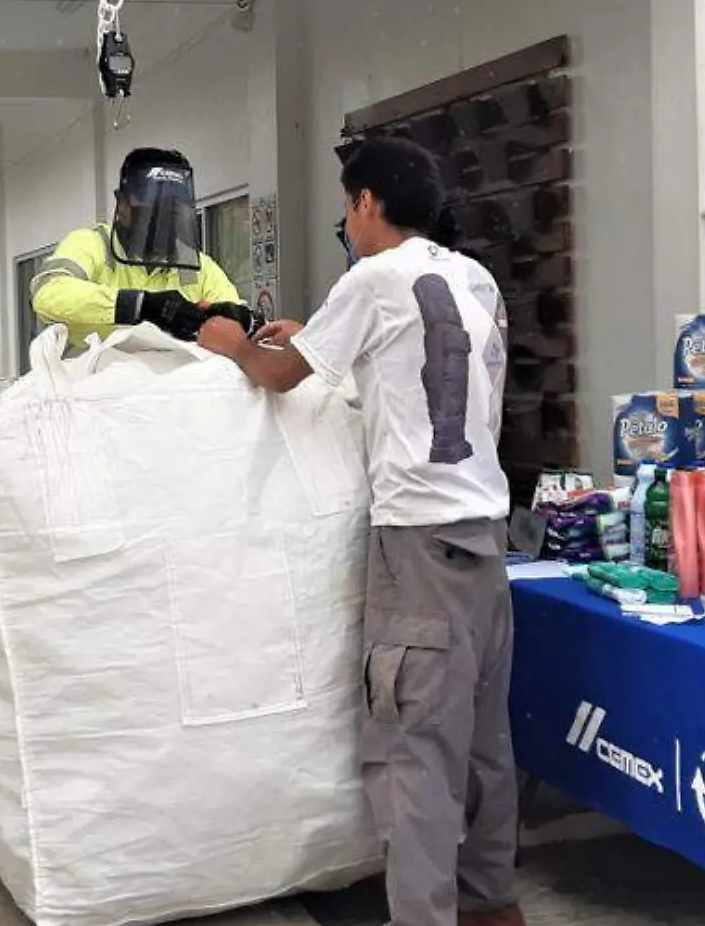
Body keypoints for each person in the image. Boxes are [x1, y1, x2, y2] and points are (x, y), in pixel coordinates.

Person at [197, 137, 520, 926]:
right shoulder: (471, 277)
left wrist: (232, 343)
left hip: (418, 548)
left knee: (413, 758)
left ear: (367, 203)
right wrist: (324, 332)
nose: (349, 220)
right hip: (486, 538)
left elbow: (277, 378)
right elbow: (422, 361)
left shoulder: (372, 279)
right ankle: (492, 907)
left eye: (348, 206)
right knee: (483, 746)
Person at [30, 148, 257, 347]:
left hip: (169, 392)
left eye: (173, 211)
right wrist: (141, 305)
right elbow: (47, 292)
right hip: (89, 386)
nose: (161, 223)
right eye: (152, 212)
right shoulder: (92, 245)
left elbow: (235, 323)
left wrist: (235, 317)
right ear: (121, 203)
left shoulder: (196, 266)